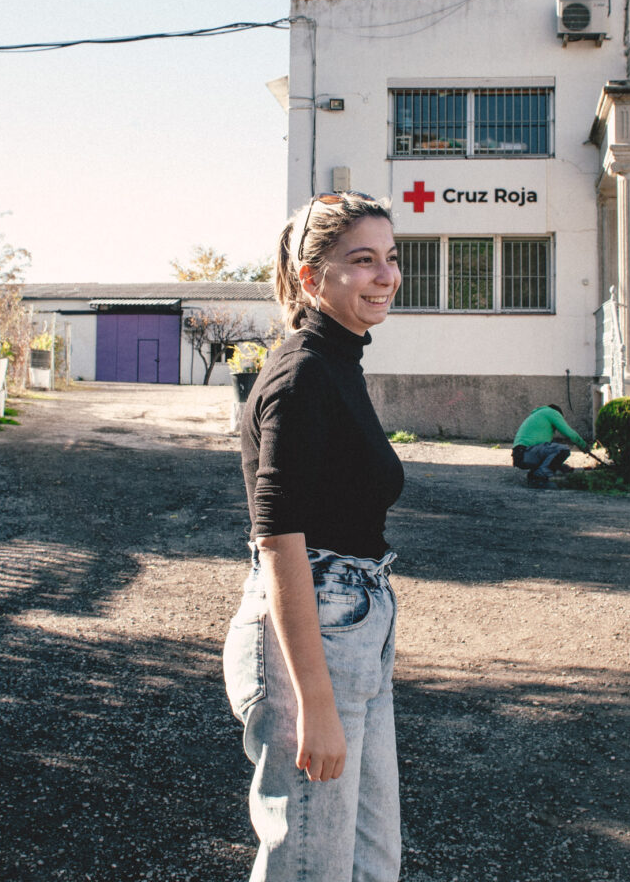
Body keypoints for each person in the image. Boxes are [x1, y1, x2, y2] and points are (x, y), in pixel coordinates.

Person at [224, 190, 406, 881]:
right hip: (313, 636)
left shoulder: (340, 361)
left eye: (390, 259)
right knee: (310, 867)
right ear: (311, 277)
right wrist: (314, 704)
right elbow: (278, 540)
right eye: (362, 261)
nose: (384, 276)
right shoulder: (302, 373)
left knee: (369, 864)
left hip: (357, 626)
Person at [511, 403, 588, 489]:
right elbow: (570, 434)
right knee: (562, 450)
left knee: (551, 453)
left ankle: (534, 475)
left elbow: (547, 456)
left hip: (519, 456)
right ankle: (538, 478)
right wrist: (584, 446)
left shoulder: (539, 415)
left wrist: (560, 466)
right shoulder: (552, 413)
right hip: (527, 453)